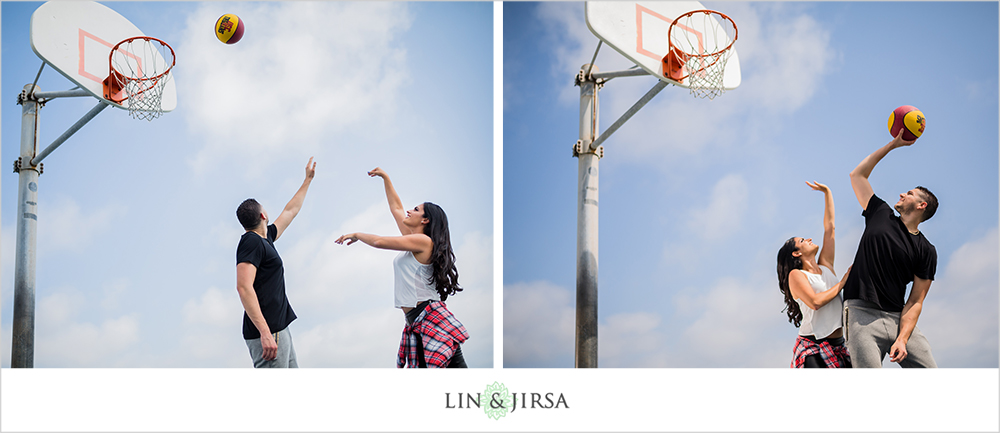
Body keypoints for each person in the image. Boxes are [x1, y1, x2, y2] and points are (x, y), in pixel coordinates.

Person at [335, 167, 469, 368]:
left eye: (415, 209)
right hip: (417, 322)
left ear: (425, 220)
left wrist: (357, 234)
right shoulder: (414, 240)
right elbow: (396, 208)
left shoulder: (423, 242)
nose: (409, 210)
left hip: (431, 320)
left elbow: (379, 241)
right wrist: (386, 178)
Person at [843, 129, 939, 367]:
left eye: (909, 194)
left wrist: (903, 339)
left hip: (897, 317)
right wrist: (893, 145)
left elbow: (916, 300)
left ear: (921, 205)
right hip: (861, 314)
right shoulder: (880, 213)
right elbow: (857, 175)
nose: (902, 194)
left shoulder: (926, 250)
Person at [235, 157, 317, 368]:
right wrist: (265, 332)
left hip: (279, 329)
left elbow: (290, 211)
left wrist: (307, 180)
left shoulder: (265, 238)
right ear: (263, 214)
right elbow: (244, 288)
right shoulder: (251, 242)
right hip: (268, 332)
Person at [777, 181, 852, 368]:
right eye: (803, 240)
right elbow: (815, 302)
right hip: (812, 346)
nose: (809, 239)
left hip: (838, 345)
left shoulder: (826, 265)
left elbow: (830, 228)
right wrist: (842, 282)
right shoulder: (796, 275)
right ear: (796, 253)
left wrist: (827, 192)